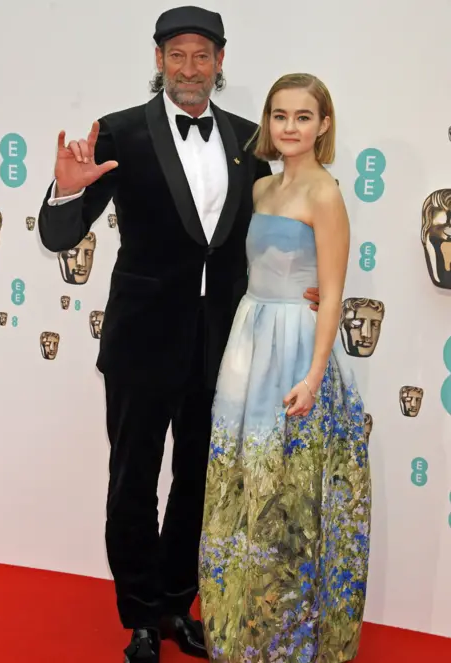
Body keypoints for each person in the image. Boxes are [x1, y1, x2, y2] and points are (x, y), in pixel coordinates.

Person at [37, 8, 320, 663]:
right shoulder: (119, 131)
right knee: (132, 479)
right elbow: (60, 235)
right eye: (178, 55)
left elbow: (261, 239)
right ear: (159, 58)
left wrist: (304, 286)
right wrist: (62, 191)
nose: (190, 69)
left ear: (221, 62)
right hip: (140, 340)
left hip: (221, 345)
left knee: (199, 480)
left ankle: (175, 605)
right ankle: (138, 614)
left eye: (203, 56)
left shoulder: (252, 141)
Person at [198, 73, 371, 663]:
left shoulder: (325, 193)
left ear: (323, 125)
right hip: (250, 340)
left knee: (290, 502)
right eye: (280, 115)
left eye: (303, 116)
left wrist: (316, 374)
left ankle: (290, 643)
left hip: (298, 347)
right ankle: (242, 630)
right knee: (243, 481)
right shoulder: (262, 190)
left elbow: (333, 292)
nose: (289, 127)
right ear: (268, 124)